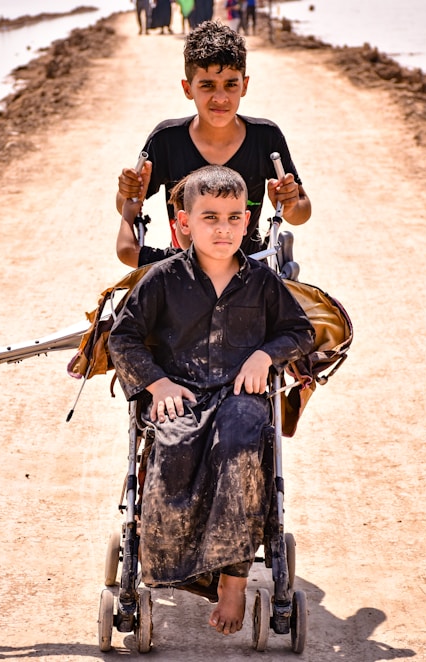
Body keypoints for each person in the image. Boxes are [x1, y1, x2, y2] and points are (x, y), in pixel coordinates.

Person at [109, 165, 315, 635]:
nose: (223, 229)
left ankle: (233, 579)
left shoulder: (262, 282)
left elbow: (298, 331)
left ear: (248, 221)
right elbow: (125, 339)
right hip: (179, 391)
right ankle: (182, 566)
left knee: (243, 441)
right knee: (175, 447)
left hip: (239, 396)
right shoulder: (162, 279)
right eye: (210, 218)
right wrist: (156, 384)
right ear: (184, 222)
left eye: (233, 218)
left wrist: (265, 354)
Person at [116, 20, 311, 257]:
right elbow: (127, 204)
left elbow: (302, 211)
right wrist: (130, 191)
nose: (220, 97)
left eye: (230, 84)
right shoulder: (165, 140)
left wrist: (289, 205)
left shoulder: (266, 138)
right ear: (188, 89)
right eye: (207, 85)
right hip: (183, 269)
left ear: (244, 85)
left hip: (250, 268)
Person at [116, 174, 191, 267]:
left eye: (176, 219)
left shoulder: (179, 264)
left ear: (184, 224)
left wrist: (127, 216)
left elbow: (127, 251)